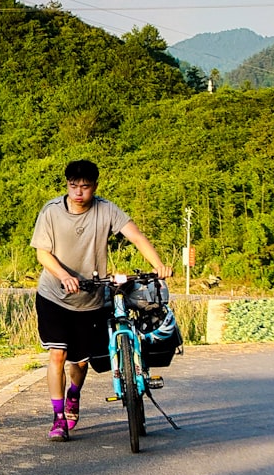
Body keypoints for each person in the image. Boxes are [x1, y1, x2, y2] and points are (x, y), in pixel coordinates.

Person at [29, 160, 173, 442]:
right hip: (54, 295)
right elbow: (43, 254)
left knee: (81, 362)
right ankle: (58, 418)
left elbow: (136, 236)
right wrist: (63, 275)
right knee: (57, 353)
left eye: (85, 186)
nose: (78, 192)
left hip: (91, 297)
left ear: (95, 186)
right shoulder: (51, 212)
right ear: (67, 185)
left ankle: (74, 395)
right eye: (73, 186)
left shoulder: (106, 209)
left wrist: (158, 264)